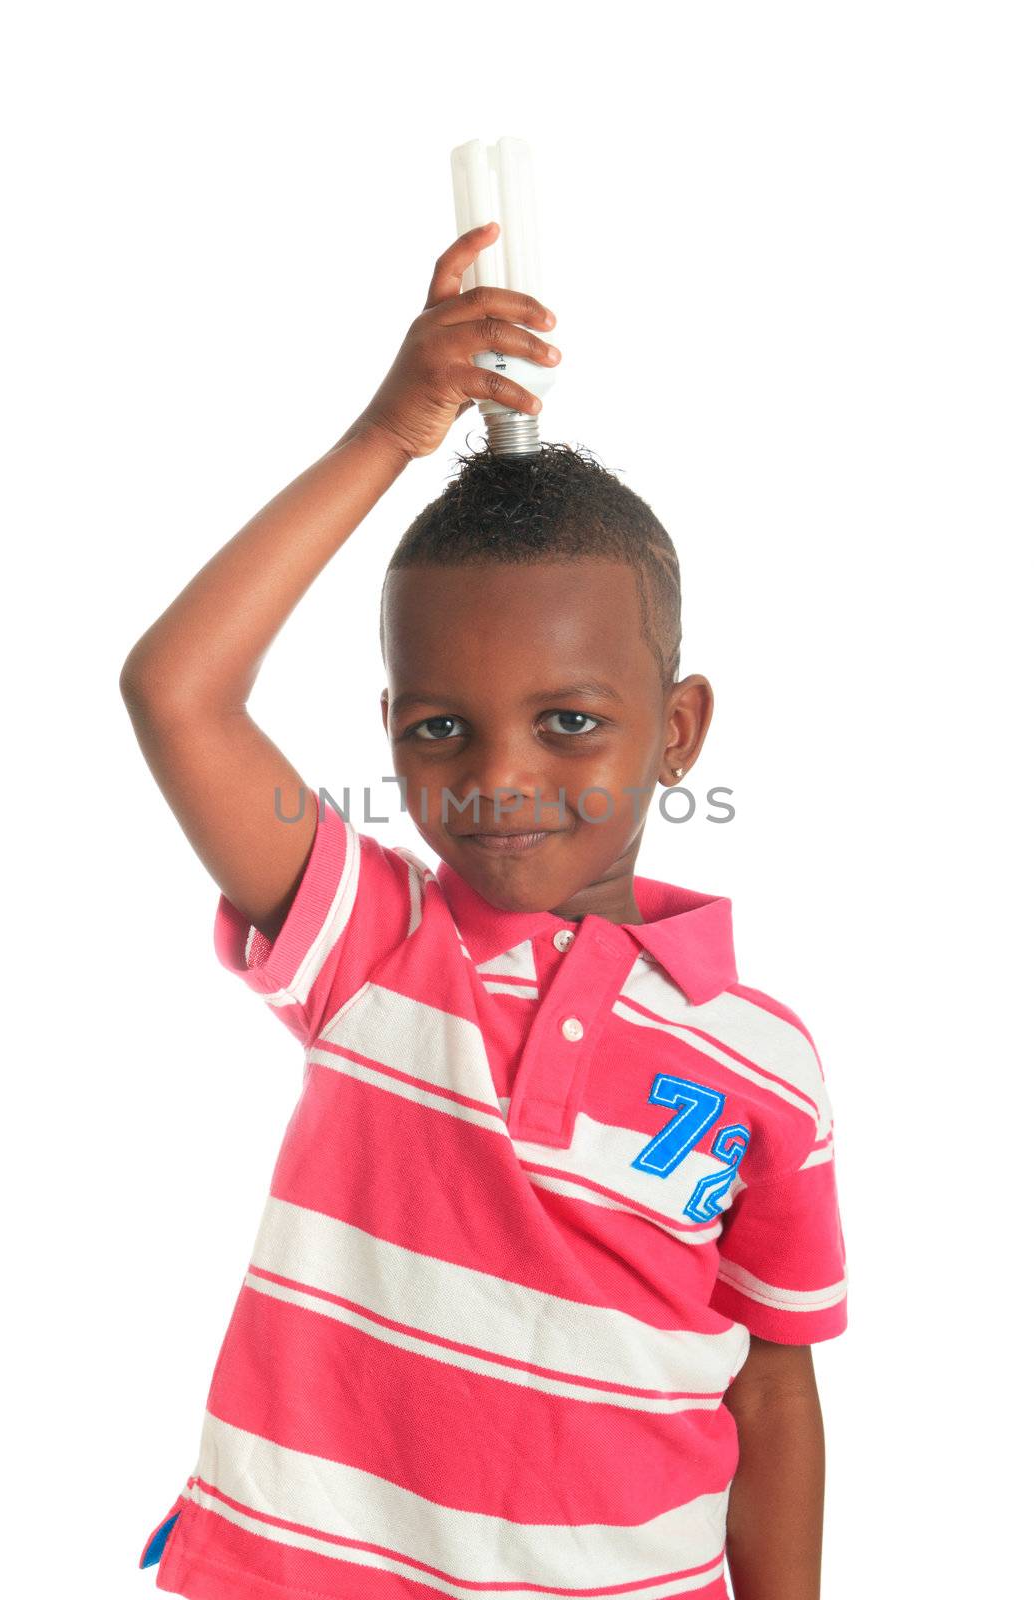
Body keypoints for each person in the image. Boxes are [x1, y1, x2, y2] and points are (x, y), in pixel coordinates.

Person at [121, 219, 848, 1600]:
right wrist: (387, 435)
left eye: (570, 721)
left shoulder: (769, 1065)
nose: (502, 778)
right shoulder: (372, 943)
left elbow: (772, 1391)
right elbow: (179, 692)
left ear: (677, 731)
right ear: (389, 730)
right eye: (443, 727)